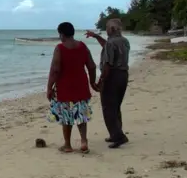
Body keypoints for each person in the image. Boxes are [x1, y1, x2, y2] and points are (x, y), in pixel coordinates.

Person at [46, 22, 99, 153]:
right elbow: (91, 66)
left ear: (62, 34)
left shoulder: (60, 48)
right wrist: (92, 82)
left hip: (65, 87)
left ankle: (67, 145)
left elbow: (55, 70)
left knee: (66, 117)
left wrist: (49, 87)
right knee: (81, 115)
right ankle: (83, 141)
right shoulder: (82, 46)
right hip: (81, 85)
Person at [85, 19, 131, 148]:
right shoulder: (124, 41)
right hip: (123, 75)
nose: (106, 30)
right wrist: (96, 37)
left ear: (112, 29)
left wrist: (100, 82)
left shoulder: (111, 43)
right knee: (115, 106)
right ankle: (116, 133)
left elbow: (107, 65)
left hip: (112, 76)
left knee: (108, 108)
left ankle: (118, 136)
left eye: (107, 27)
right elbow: (107, 47)